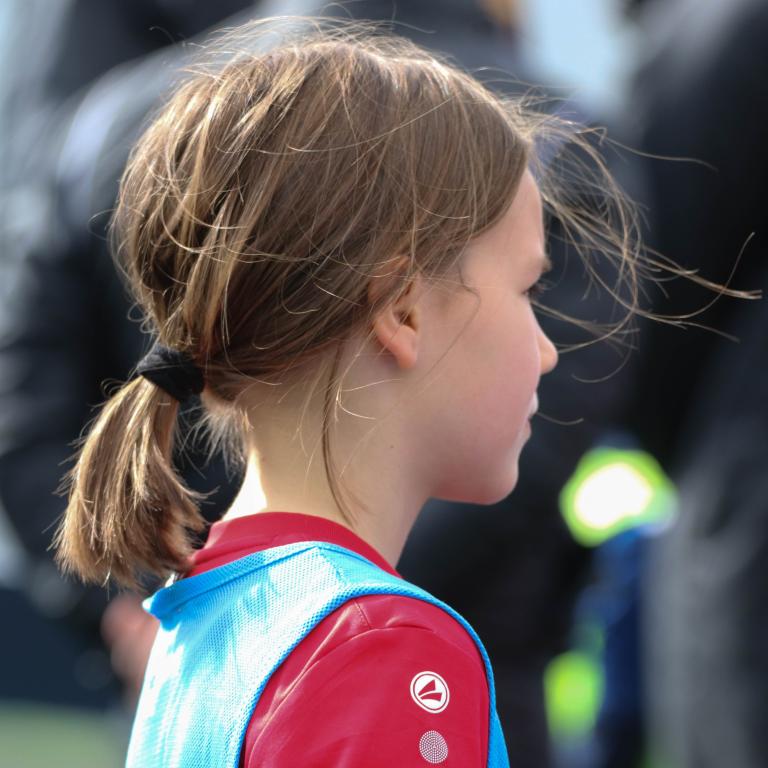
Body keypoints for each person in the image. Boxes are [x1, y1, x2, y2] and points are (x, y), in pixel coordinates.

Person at [50, 16, 725, 768]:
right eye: (528, 290)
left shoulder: (192, 615)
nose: (547, 350)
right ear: (401, 311)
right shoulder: (384, 647)